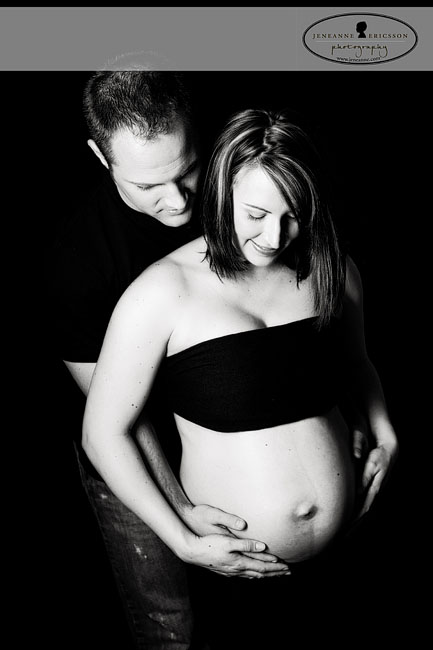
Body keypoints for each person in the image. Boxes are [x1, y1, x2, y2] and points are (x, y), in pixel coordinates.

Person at [82, 108, 399, 647]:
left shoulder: (332, 269)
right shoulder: (162, 292)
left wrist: (387, 435)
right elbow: (102, 433)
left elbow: (358, 364)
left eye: (293, 215)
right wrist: (182, 540)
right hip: (240, 571)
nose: (274, 236)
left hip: (354, 544)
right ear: (221, 188)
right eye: (256, 213)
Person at [47, 75, 291, 650]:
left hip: (223, 423)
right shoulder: (78, 262)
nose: (178, 201)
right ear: (100, 156)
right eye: (148, 185)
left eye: (187, 170)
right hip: (135, 448)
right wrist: (180, 513)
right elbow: (115, 424)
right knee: (171, 625)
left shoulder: (241, 190)